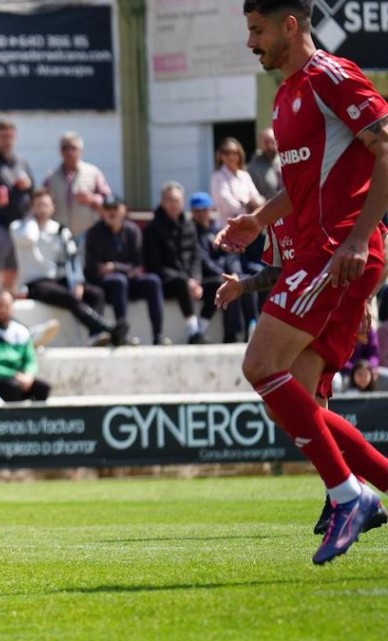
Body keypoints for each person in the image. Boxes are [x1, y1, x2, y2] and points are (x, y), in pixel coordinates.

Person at [214, 0, 388, 564]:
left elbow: (385, 147)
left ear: (291, 25)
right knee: (305, 405)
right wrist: (259, 220)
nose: (251, 43)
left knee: (260, 366)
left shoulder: (331, 76)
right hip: (318, 252)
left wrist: (360, 239)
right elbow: (305, 185)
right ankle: (368, 489)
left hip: (337, 251)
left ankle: (346, 497)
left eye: (257, 30)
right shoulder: (286, 96)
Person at [11, 189, 123, 346]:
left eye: (46, 205)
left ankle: (96, 335)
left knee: (96, 293)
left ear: (53, 207)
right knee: (69, 297)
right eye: (38, 205)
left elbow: (73, 257)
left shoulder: (61, 230)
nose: (42, 209)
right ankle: (107, 328)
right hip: (35, 283)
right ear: (32, 207)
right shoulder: (19, 227)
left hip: (57, 279)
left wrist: (77, 282)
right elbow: (30, 237)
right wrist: (31, 218)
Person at [84, 196, 167, 345]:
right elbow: (92, 267)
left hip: (128, 280)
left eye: (115, 209)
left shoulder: (132, 230)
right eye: (107, 209)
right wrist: (111, 271)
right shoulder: (94, 232)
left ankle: (158, 335)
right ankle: (121, 332)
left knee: (153, 281)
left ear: (124, 210)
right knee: (118, 280)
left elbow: (138, 264)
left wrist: (116, 267)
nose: (111, 213)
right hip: (106, 285)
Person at [142, 182, 205, 344]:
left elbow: (196, 255)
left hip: (190, 279)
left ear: (182, 202)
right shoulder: (154, 228)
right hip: (167, 281)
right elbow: (154, 264)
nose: (173, 204)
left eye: (176, 200)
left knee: (217, 284)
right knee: (181, 283)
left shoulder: (189, 224)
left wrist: (196, 278)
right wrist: (188, 280)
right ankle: (192, 329)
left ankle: (202, 329)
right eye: (169, 200)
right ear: (162, 202)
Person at [192, 191, 254, 343]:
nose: (201, 214)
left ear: (212, 210)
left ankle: (252, 325)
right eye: (197, 211)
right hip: (208, 278)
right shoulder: (191, 232)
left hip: (223, 274)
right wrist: (223, 274)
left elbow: (230, 254)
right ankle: (232, 334)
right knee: (227, 285)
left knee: (246, 281)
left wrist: (234, 272)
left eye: (205, 210)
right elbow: (202, 259)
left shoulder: (218, 231)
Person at [0, 120, 34, 293]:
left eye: (10, 137)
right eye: (3, 137)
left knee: (14, 268)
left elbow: (33, 189)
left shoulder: (21, 162)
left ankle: (6, 305)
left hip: (20, 224)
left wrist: (27, 185)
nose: (7, 141)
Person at [0, 290, 51, 402]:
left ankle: (38, 418)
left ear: (12, 307)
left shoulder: (22, 332)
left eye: (6, 306)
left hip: (21, 378)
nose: (3, 310)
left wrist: (28, 376)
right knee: (13, 388)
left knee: (43, 388)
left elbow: (31, 360)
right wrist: (14, 375)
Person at [43, 132, 112, 237]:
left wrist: (92, 199)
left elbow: (108, 200)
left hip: (88, 233)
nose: (69, 152)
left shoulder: (93, 173)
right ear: (60, 151)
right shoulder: (50, 177)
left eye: (73, 148)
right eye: (65, 148)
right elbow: (41, 202)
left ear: (81, 151)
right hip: (59, 233)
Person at [211, 136, 265, 219]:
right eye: (227, 153)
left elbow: (255, 195)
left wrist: (259, 204)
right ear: (221, 156)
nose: (231, 156)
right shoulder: (217, 177)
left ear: (240, 154)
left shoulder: (244, 175)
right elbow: (226, 201)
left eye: (235, 152)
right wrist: (247, 211)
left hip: (250, 222)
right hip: (228, 224)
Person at [247, 127, 283, 201]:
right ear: (261, 144)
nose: (270, 146)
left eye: (272, 142)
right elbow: (251, 195)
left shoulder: (283, 160)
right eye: (266, 142)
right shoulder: (253, 168)